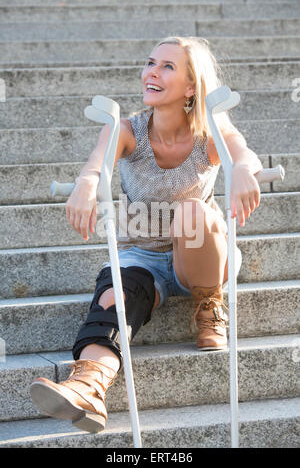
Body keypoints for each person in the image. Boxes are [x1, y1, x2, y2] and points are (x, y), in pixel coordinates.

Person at [30, 36, 262, 434]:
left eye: (167, 66)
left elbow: (242, 153)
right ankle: (89, 385)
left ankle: (209, 304)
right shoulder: (126, 130)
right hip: (142, 255)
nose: (151, 71)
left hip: (200, 251)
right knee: (114, 298)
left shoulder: (210, 128)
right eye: (150, 62)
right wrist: (87, 184)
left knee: (193, 211)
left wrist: (242, 168)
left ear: (192, 86)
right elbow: (95, 168)